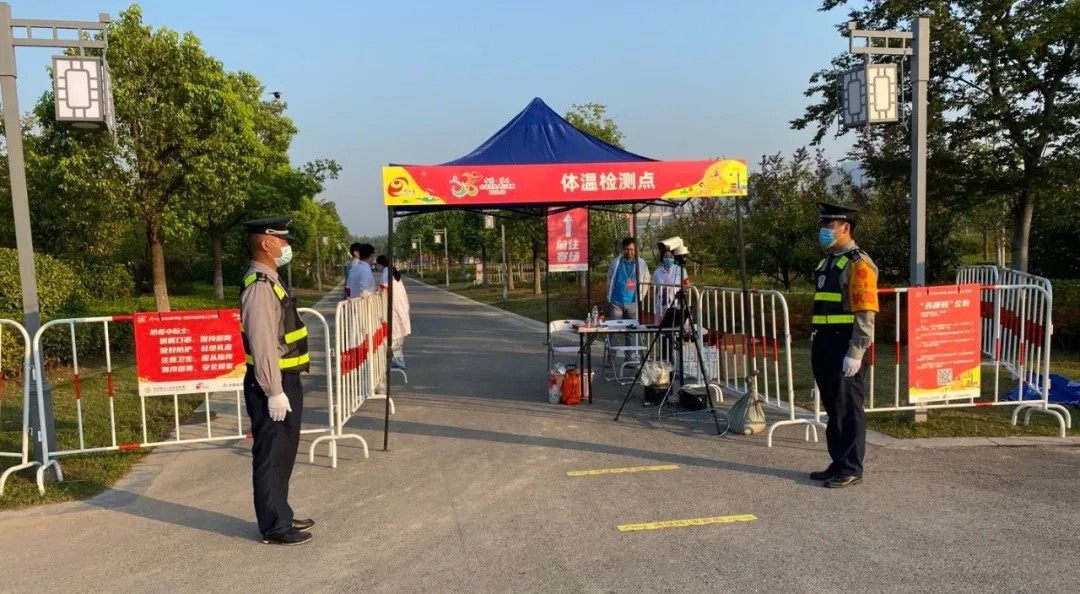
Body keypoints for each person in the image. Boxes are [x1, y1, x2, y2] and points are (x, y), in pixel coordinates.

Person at [239, 216, 315, 545]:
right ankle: (274, 526)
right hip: (273, 383)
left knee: (283, 452)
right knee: (271, 453)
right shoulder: (259, 286)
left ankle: (280, 512)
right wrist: (273, 390)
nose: (286, 246)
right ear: (266, 244)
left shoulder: (271, 280)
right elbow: (263, 343)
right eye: (282, 241)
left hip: (285, 379)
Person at [810, 202, 879, 489]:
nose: (824, 231)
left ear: (845, 227)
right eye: (822, 226)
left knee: (848, 408)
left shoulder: (858, 263)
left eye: (829, 226)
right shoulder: (829, 261)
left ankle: (851, 467)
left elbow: (865, 313)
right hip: (825, 341)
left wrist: (856, 352)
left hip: (844, 344)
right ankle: (839, 462)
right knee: (834, 407)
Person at [605, 238, 650, 360]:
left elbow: (646, 279)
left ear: (636, 250)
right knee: (613, 330)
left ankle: (630, 358)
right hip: (616, 301)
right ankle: (611, 357)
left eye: (632, 249)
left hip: (633, 301)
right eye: (626, 249)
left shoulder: (641, 263)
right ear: (622, 249)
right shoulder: (616, 262)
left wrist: (641, 295)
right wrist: (608, 297)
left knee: (631, 331)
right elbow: (609, 279)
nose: (629, 252)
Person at [652, 247, 691, 361]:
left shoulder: (680, 270)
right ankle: (664, 356)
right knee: (663, 331)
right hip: (662, 305)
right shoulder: (657, 272)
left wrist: (681, 289)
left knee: (676, 329)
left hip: (676, 303)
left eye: (671, 257)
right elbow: (653, 286)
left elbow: (687, 285)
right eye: (666, 257)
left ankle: (676, 356)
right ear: (662, 258)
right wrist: (662, 290)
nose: (668, 259)